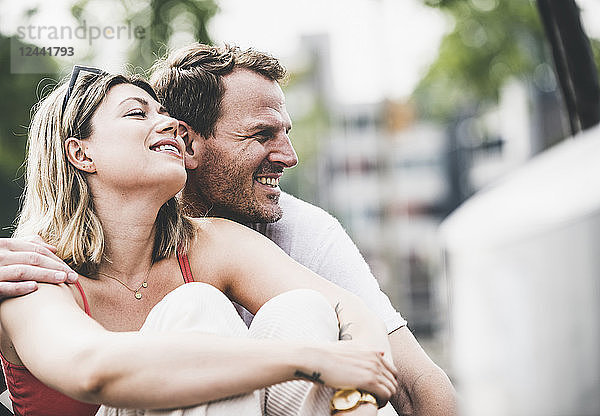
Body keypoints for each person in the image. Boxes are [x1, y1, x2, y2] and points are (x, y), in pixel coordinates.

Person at [0, 44, 458, 415]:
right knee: (196, 306)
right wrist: (316, 360)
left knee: (301, 308)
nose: (168, 126)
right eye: (139, 114)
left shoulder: (212, 241)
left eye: (165, 115)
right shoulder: (30, 268)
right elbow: (90, 369)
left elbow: (350, 312)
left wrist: (356, 388)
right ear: (80, 154)